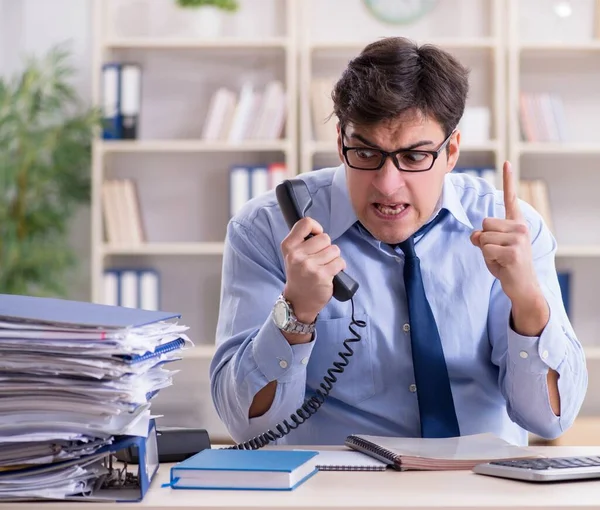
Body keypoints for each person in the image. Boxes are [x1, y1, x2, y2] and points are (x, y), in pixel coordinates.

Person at [209, 36, 587, 447]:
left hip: (480, 486)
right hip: (335, 488)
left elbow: (551, 421)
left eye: (414, 157)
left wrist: (527, 300)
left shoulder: (512, 229)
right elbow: (247, 428)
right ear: (341, 143)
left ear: (452, 151)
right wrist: (296, 313)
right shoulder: (265, 230)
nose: (388, 185)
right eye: (367, 154)